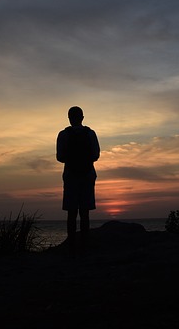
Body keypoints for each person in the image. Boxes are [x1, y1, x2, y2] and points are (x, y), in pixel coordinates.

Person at [56, 106, 100, 250]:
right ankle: (85, 244)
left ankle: (71, 244)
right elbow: (96, 155)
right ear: (82, 118)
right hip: (87, 175)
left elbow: (60, 157)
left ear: (69, 118)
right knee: (85, 212)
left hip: (71, 175)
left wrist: (72, 158)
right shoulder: (90, 134)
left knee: (71, 212)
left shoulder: (64, 134)